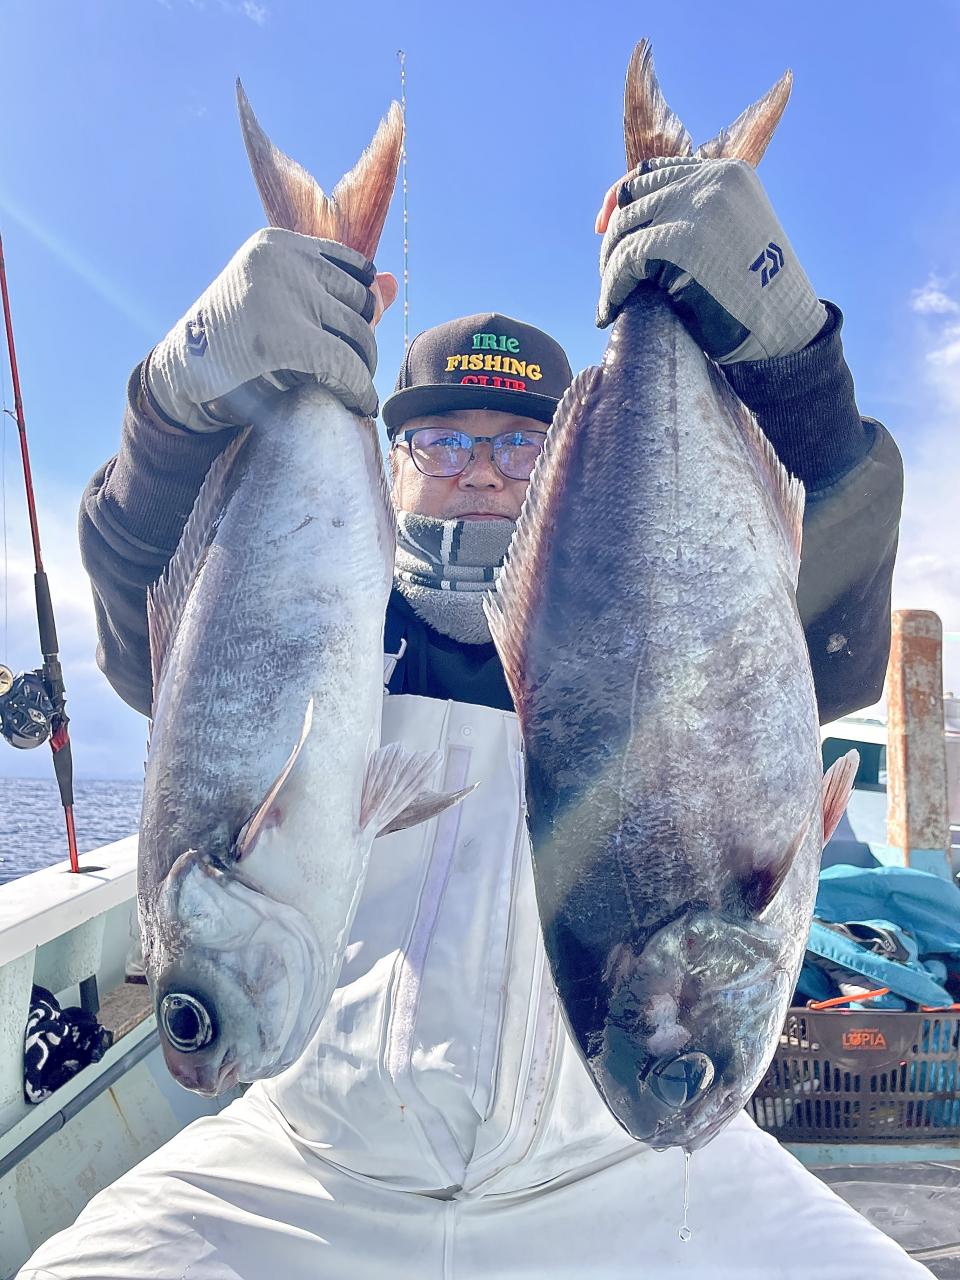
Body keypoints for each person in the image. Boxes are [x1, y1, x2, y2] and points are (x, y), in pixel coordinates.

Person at [19, 158, 929, 1278]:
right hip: (309, 1165)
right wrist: (170, 404)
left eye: (519, 442)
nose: (483, 474)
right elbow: (139, 611)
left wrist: (798, 361)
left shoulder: (640, 637)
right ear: (393, 463)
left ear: (576, 455)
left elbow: (834, 634)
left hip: (639, 1158)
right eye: (445, 441)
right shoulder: (325, 621)